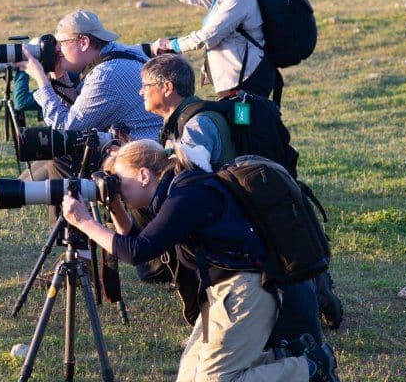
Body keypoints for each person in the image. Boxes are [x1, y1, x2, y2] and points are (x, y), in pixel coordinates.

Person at [61, 140, 341, 382]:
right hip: (215, 297)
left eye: (121, 181)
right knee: (189, 377)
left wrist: (84, 222)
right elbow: (142, 243)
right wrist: (116, 207)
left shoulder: (187, 193)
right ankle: (285, 354)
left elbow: (136, 252)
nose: (117, 188)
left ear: (144, 175)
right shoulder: (176, 189)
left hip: (245, 292)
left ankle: (310, 369)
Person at [139, 53, 340, 343]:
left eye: (146, 85)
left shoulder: (196, 124)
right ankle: (320, 296)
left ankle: (209, 333)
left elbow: (192, 174)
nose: (141, 91)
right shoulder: (189, 116)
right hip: (246, 205)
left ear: (167, 87)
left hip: (235, 213)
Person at [15, 9, 162, 190]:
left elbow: (65, 129)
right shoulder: (116, 53)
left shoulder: (105, 74)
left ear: (84, 42)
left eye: (61, 43)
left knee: (62, 156)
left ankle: (72, 215)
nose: (57, 51)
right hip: (141, 143)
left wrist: (41, 79)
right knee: (32, 175)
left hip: (144, 154)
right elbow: (80, 111)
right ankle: (23, 188)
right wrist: (59, 75)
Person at [151, 0, 277, 99]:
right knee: (238, 122)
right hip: (236, 78)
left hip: (245, 79)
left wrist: (173, 44)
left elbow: (208, 36)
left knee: (243, 122)